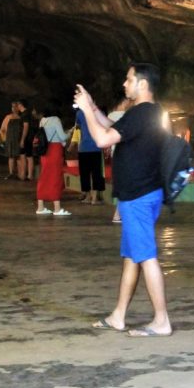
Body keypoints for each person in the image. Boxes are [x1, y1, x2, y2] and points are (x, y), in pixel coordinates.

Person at [75, 63, 172, 337]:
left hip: (139, 197)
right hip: (142, 193)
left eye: (129, 80)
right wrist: (93, 108)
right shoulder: (148, 113)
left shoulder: (141, 113)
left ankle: (161, 320)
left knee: (147, 256)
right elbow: (115, 128)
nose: (124, 84)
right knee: (132, 256)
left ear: (142, 84)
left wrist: (84, 111)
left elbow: (104, 139)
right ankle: (118, 316)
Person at [35, 105, 71, 216]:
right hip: (55, 151)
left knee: (44, 176)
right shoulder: (56, 120)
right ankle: (57, 208)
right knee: (55, 177)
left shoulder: (42, 121)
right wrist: (69, 132)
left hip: (45, 151)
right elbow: (62, 136)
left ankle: (40, 207)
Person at [73, 106, 107, 205]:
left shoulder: (79, 113)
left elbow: (77, 126)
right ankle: (94, 198)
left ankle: (87, 197)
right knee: (97, 173)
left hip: (83, 148)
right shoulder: (99, 112)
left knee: (84, 174)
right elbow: (104, 126)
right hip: (96, 147)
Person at [0, 100, 23, 180]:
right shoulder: (8, 117)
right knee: (11, 156)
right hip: (10, 139)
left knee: (19, 156)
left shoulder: (22, 118)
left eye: (15, 106)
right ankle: (11, 173)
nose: (13, 108)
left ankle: (20, 173)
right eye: (12, 106)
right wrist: (2, 138)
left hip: (18, 139)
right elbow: (3, 129)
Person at [18, 100, 37, 182]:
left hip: (26, 138)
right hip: (29, 138)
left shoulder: (25, 114)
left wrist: (22, 139)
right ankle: (28, 175)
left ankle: (24, 175)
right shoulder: (28, 114)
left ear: (21, 105)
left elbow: (26, 127)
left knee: (25, 156)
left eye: (18, 104)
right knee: (29, 156)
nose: (17, 106)